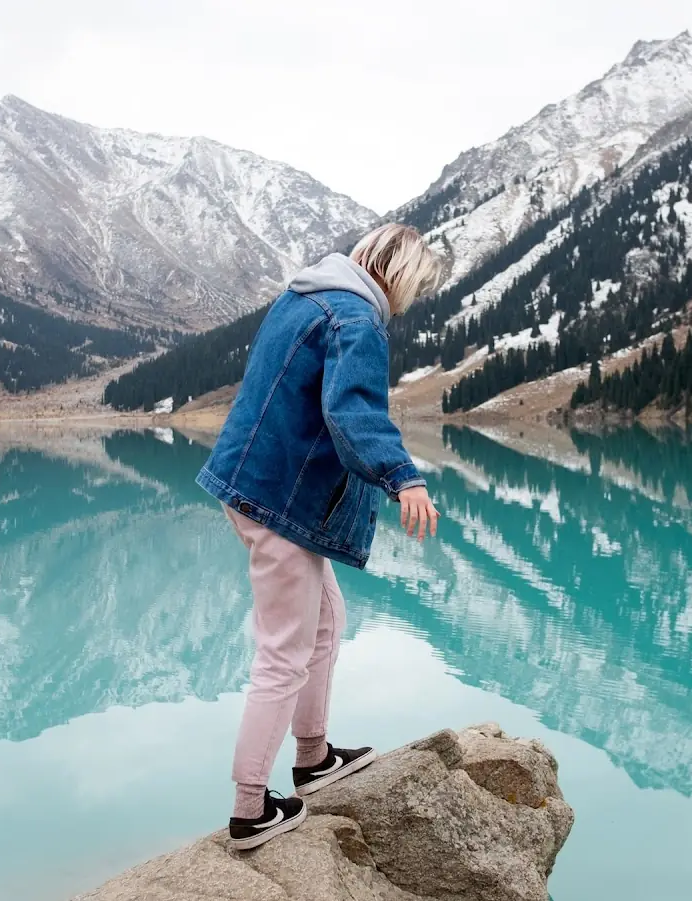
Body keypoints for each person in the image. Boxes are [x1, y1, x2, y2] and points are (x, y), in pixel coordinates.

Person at [195, 223, 447, 850]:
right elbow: (353, 411)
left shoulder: (304, 297)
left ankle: (313, 759)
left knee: (327, 622)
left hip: (257, 485)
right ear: (400, 277)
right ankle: (249, 809)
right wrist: (403, 478)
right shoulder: (355, 319)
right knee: (284, 651)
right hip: (280, 498)